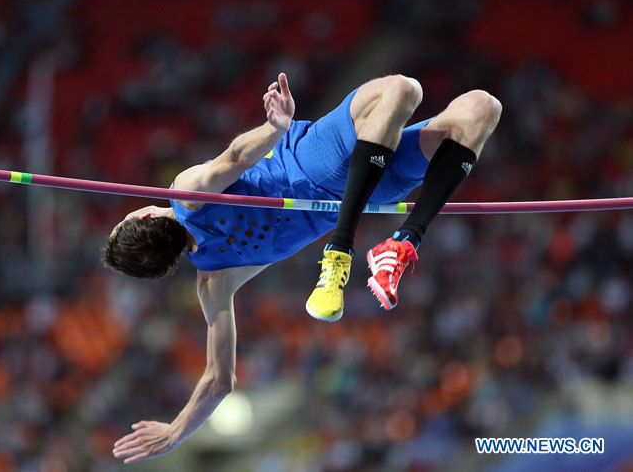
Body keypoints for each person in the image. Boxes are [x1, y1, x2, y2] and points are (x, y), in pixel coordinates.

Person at [106, 73, 501, 463]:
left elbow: (220, 379)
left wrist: (176, 433)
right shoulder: (185, 195)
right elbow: (235, 158)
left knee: (480, 108)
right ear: (140, 218)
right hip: (315, 162)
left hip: (368, 189)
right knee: (404, 89)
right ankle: (342, 249)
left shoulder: (214, 282)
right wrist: (274, 128)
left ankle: (406, 239)